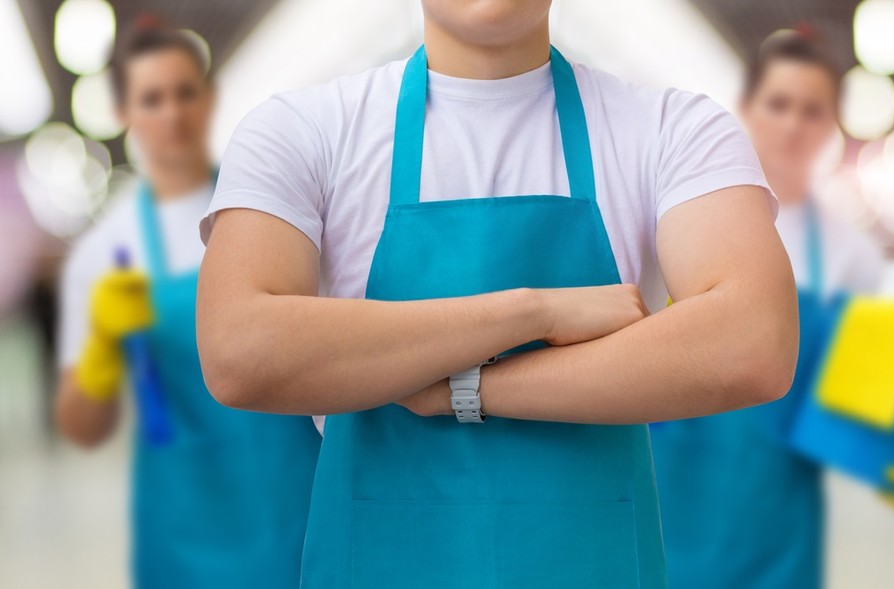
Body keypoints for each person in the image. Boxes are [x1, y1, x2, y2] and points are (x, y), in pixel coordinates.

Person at [196, 1, 799, 586]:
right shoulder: (300, 131)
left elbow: (753, 342)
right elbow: (240, 350)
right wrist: (535, 310)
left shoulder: (675, 129)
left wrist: (465, 389)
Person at [649, 30, 894, 589]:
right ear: (745, 109)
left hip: (777, 530)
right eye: (778, 104)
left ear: (831, 126)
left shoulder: (852, 254)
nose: (793, 124)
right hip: (661, 503)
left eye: (812, 110)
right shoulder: (677, 218)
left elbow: (863, 411)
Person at [53, 20, 321, 588]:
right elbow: (81, 426)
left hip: (299, 494)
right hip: (186, 525)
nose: (172, 114)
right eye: (152, 98)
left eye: (185, 92)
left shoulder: (274, 203)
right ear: (124, 110)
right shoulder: (106, 249)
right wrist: (102, 346)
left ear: (208, 97)